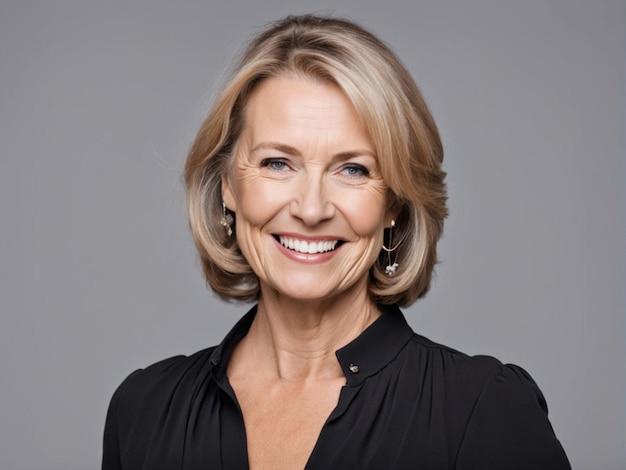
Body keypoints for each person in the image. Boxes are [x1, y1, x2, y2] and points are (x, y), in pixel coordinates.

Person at [102, 14, 570, 470]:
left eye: (353, 169)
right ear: (228, 184)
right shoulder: (145, 411)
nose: (311, 209)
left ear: (394, 203)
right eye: (277, 163)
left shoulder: (482, 410)